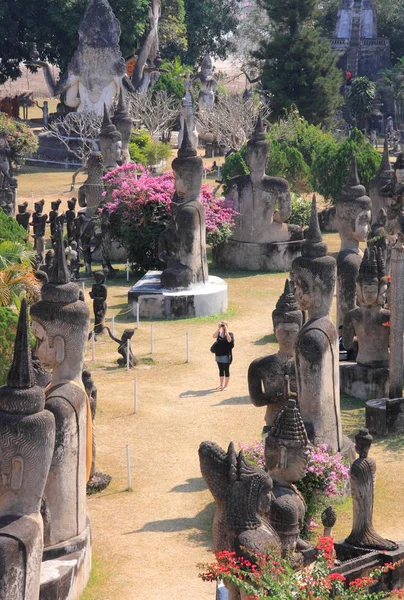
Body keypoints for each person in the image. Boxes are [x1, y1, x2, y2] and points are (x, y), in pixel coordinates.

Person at [212, 321, 234, 391]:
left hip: (226, 355)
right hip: (218, 354)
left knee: (226, 370)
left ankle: (225, 386)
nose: (223, 326)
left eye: (224, 325)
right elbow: (213, 336)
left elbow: (229, 340)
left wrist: (226, 331)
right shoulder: (220, 333)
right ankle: (221, 385)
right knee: (220, 370)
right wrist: (218, 329)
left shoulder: (230, 334)